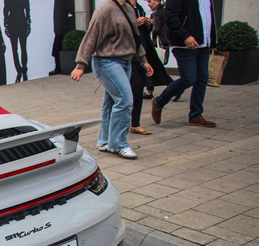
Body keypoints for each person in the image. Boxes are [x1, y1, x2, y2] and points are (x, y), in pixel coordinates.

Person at [71, 0, 153, 159]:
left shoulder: (129, 8)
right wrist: (81, 64)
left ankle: (103, 141)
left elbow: (134, 38)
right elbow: (91, 37)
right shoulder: (105, 9)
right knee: (125, 100)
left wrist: (143, 60)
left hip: (126, 62)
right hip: (106, 62)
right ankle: (119, 144)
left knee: (111, 101)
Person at [151, 0, 216, 127]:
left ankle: (195, 116)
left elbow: (209, 18)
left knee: (202, 79)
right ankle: (159, 101)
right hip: (183, 44)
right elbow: (171, 18)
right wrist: (185, 36)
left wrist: (211, 41)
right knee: (188, 79)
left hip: (203, 44)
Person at [128, 0, 172, 135]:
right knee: (127, 91)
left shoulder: (138, 8)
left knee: (139, 86)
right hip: (128, 54)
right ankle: (124, 124)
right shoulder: (121, 7)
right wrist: (135, 23)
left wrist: (147, 25)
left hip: (143, 51)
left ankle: (135, 123)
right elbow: (117, 28)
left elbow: (145, 32)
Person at [4, 0, 31, 82]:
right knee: (22, 48)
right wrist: (28, 19)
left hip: (13, 22)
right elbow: (27, 7)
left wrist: (5, 21)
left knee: (16, 49)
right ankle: (22, 70)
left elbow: (6, 9)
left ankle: (20, 70)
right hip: (20, 21)